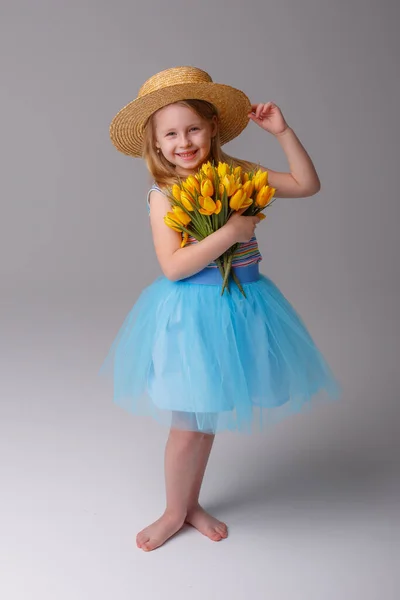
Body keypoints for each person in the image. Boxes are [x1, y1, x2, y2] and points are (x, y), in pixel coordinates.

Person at [99, 66, 340, 552]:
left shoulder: (238, 174)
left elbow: (306, 184)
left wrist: (283, 133)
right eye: (171, 134)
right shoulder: (163, 194)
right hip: (193, 316)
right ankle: (172, 511)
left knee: (205, 422)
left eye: (193, 129)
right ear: (156, 143)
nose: (184, 142)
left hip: (243, 307)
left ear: (212, 128)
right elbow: (172, 267)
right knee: (187, 428)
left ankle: (190, 506)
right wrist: (230, 232)